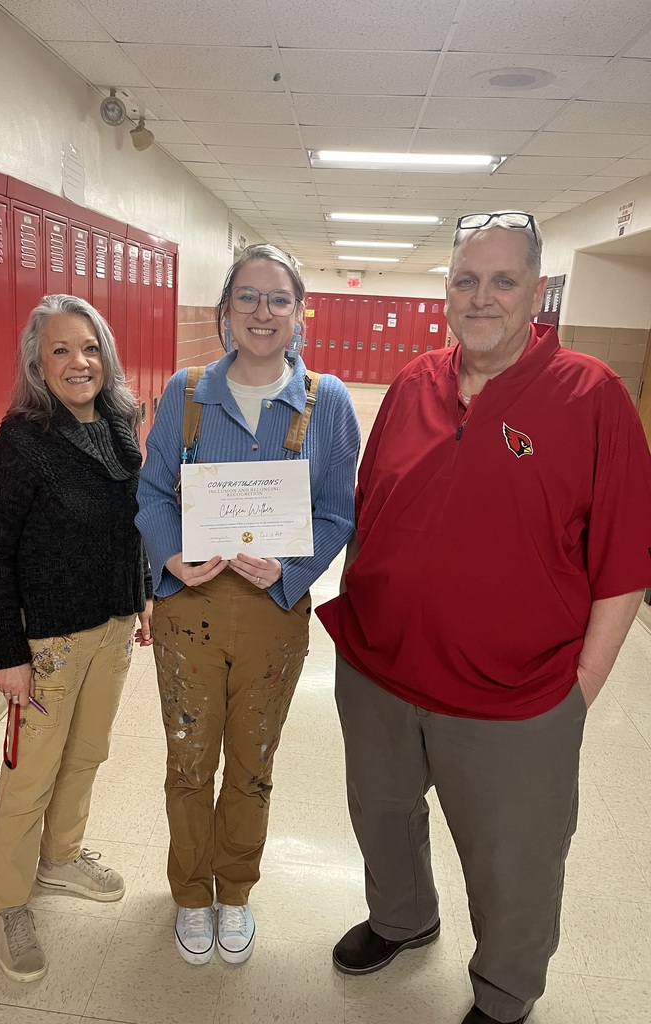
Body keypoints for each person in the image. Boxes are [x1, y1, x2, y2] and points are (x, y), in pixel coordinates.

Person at [316, 211, 651, 1024]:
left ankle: (504, 991)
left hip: (516, 698)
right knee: (382, 817)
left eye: (504, 280)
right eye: (466, 279)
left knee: (514, 861)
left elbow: (625, 564)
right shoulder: (411, 383)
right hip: (381, 672)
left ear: (537, 290)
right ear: (446, 292)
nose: (482, 296)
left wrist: (579, 690)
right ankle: (403, 918)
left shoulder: (592, 396)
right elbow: (372, 509)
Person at [136, 243, 359, 966]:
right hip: (187, 610)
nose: (263, 313)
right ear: (225, 309)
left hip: (274, 614)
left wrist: (290, 570)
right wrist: (172, 554)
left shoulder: (327, 401)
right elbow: (151, 489)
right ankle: (191, 894)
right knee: (189, 760)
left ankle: (235, 888)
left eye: (279, 299)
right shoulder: (187, 391)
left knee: (253, 761)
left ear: (299, 313)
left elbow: (336, 512)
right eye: (249, 297)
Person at [0, 294, 153, 983]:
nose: (79, 362)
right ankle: (9, 903)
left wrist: (138, 595)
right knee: (29, 778)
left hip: (110, 627)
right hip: (47, 640)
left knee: (87, 755)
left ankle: (61, 859)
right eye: (60, 351)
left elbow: (131, 519)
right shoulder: (22, 441)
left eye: (89, 347)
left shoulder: (118, 421)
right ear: (37, 365)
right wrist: (8, 655)